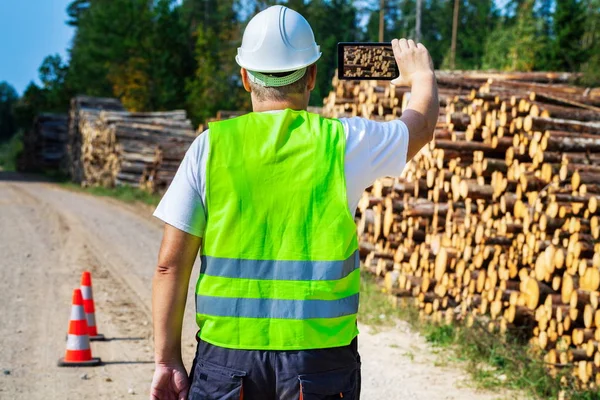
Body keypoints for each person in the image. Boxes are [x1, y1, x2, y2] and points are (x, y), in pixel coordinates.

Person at [150, 5, 438, 400]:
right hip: (319, 364)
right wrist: (420, 74)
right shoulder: (344, 143)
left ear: (246, 78)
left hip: (227, 362)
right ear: (313, 75)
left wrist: (167, 360)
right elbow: (419, 127)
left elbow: (169, 266)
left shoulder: (209, 148)